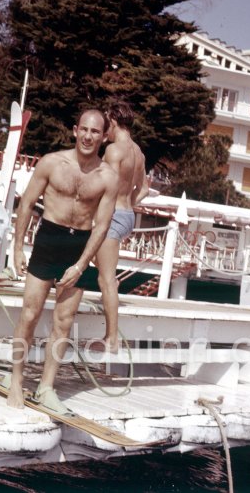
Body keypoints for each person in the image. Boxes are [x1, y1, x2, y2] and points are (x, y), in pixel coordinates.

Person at [6, 109, 118, 413]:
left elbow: (103, 226)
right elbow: (27, 203)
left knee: (63, 323)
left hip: (78, 246)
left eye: (95, 132)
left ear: (104, 136)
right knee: (29, 315)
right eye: (83, 129)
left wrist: (81, 264)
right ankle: (16, 380)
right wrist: (17, 249)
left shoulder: (108, 177)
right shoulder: (52, 163)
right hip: (48, 240)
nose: (88, 136)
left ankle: (45, 387)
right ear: (74, 129)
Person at [95, 101, 148, 353]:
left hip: (113, 214)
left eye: (107, 124)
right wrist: (130, 204)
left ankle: (111, 339)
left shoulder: (114, 151)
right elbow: (144, 188)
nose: (105, 129)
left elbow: (107, 186)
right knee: (104, 270)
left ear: (113, 122)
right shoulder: (139, 152)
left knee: (106, 279)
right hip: (127, 215)